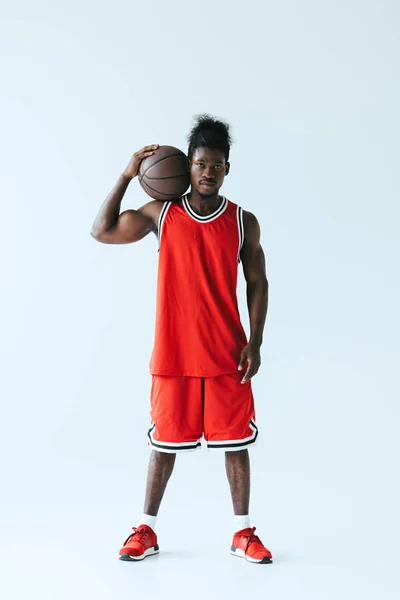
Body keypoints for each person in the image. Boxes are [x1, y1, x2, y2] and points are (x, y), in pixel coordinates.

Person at [90, 115, 272, 564]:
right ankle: (146, 529)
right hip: (172, 356)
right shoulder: (162, 213)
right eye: (200, 164)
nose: (207, 172)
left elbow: (258, 283)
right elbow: (102, 231)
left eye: (216, 165)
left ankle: (242, 532)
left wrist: (257, 340)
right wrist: (127, 175)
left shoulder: (244, 222)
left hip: (228, 355)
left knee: (235, 447)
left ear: (227, 169)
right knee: (163, 448)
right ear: (187, 166)